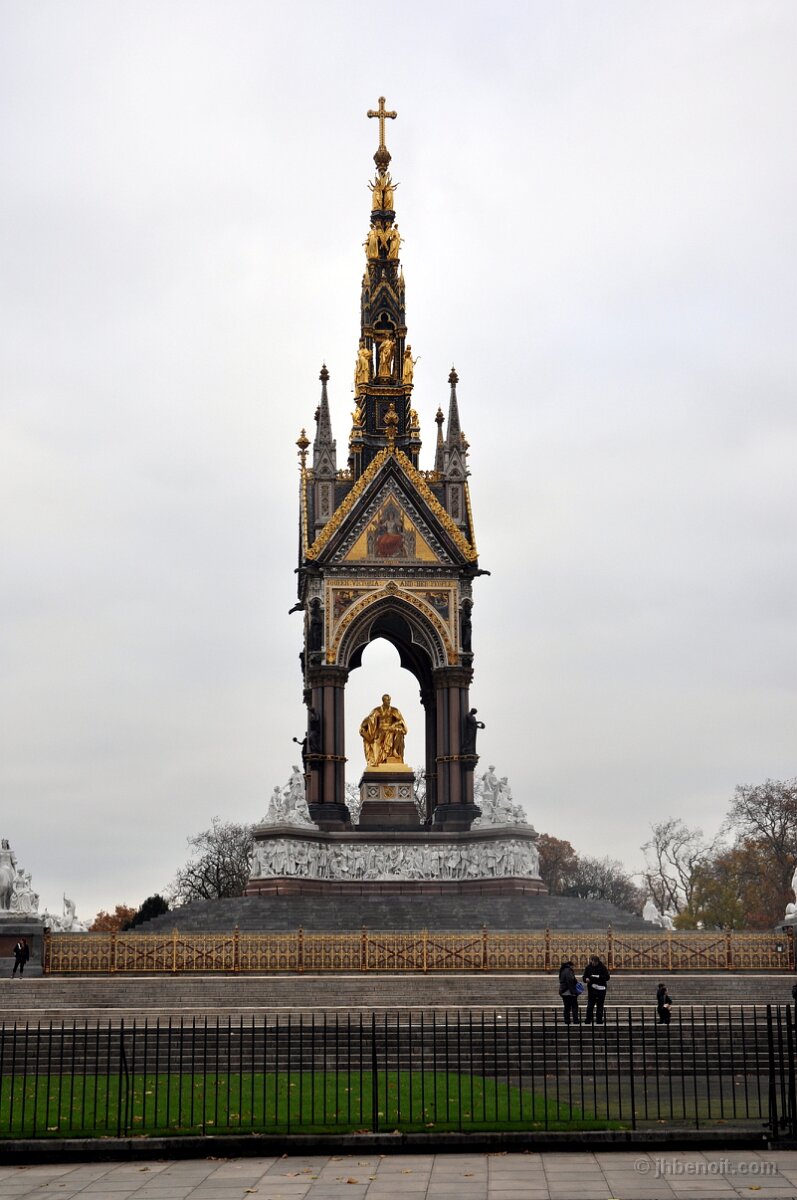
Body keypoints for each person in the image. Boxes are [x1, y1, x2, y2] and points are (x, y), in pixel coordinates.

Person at [359, 694, 407, 768]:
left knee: (398, 731)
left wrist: (395, 725)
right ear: (383, 701)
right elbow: (369, 719)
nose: (389, 702)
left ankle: (394, 751)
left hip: (391, 731)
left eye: (389, 700)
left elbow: (402, 722)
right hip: (379, 732)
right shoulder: (376, 710)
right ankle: (376, 760)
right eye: (387, 700)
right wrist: (363, 728)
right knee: (376, 741)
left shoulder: (394, 710)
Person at [582, 954, 610, 1024]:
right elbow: (584, 976)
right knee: (590, 1005)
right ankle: (588, 1019)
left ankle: (599, 1020)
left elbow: (607, 977)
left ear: (597, 962)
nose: (594, 964)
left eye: (595, 962)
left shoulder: (602, 967)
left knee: (600, 1006)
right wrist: (586, 979)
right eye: (593, 962)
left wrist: (599, 977)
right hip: (592, 989)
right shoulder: (588, 967)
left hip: (601, 989)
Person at [558, 960, 580, 1025]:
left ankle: (567, 1020)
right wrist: (574, 992)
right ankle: (575, 1020)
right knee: (574, 1006)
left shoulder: (563, 970)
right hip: (569, 992)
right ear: (571, 966)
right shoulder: (568, 971)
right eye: (573, 967)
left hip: (564, 992)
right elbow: (570, 981)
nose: (573, 968)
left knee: (567, 1007)